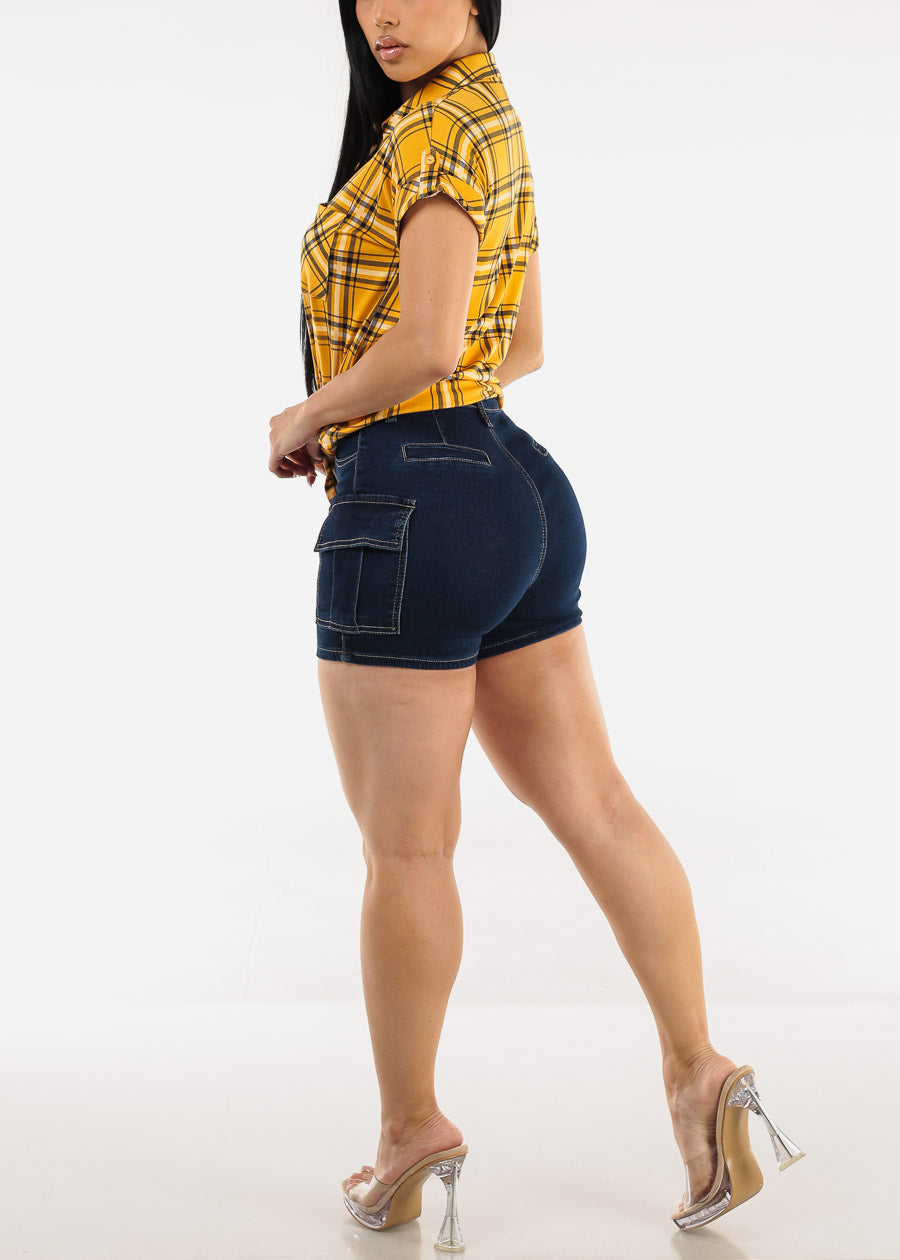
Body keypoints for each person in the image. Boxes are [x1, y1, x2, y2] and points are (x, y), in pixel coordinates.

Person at [268, 1, 804, 1250]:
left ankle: (411, 1132)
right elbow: (519, 346)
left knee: (407, 850)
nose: (383, 11)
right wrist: (407, 413)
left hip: (414, 504)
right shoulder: (488, 117)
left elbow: (431, 342)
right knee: (597, 805)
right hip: (516, 487)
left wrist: (313, 417)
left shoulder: (430, 131)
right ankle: (702, 1072)